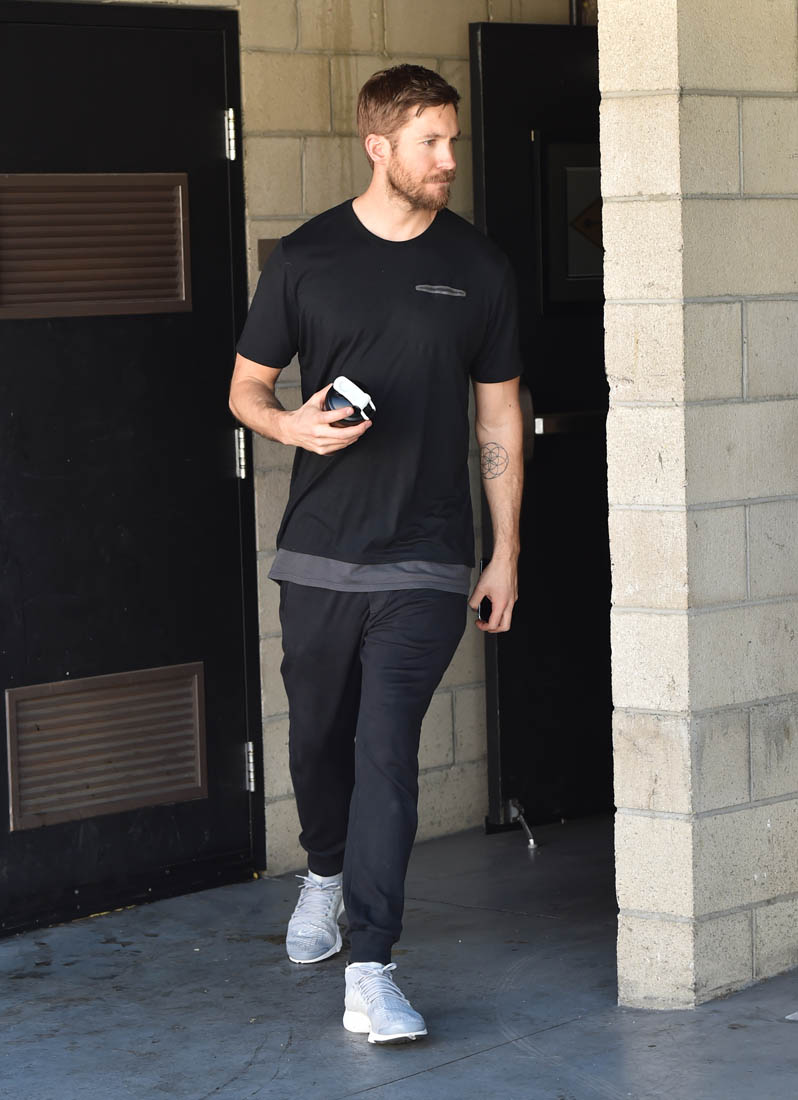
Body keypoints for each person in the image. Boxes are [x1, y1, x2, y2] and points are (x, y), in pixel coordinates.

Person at [229, 64, 523, 1045]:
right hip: (319, 553)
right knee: (320, 738)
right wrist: (290, 426)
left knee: (385, 750)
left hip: (427, 557)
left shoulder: (479, 267)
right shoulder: (308, 258)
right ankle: (323, 869)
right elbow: (245, 386)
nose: (448, 159)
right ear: (378, 145)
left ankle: (373, 967)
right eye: (430, 141)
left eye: (452, 141)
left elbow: (498, 417)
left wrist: (505, 550)